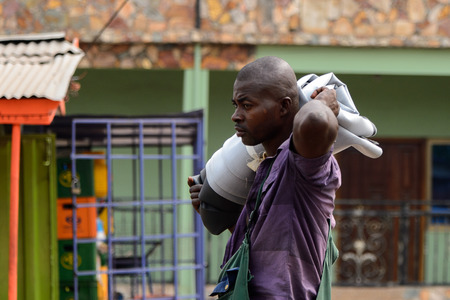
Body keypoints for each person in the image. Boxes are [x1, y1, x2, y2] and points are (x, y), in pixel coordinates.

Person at [189, 56, 341, 299]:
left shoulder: (304, 169)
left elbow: (315, 121)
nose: (236, 116)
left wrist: (324, 102)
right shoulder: (267, 169)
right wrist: (227, 217)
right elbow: (267, 254)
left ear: (283, 107)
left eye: (247, 106)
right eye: (235, 105)